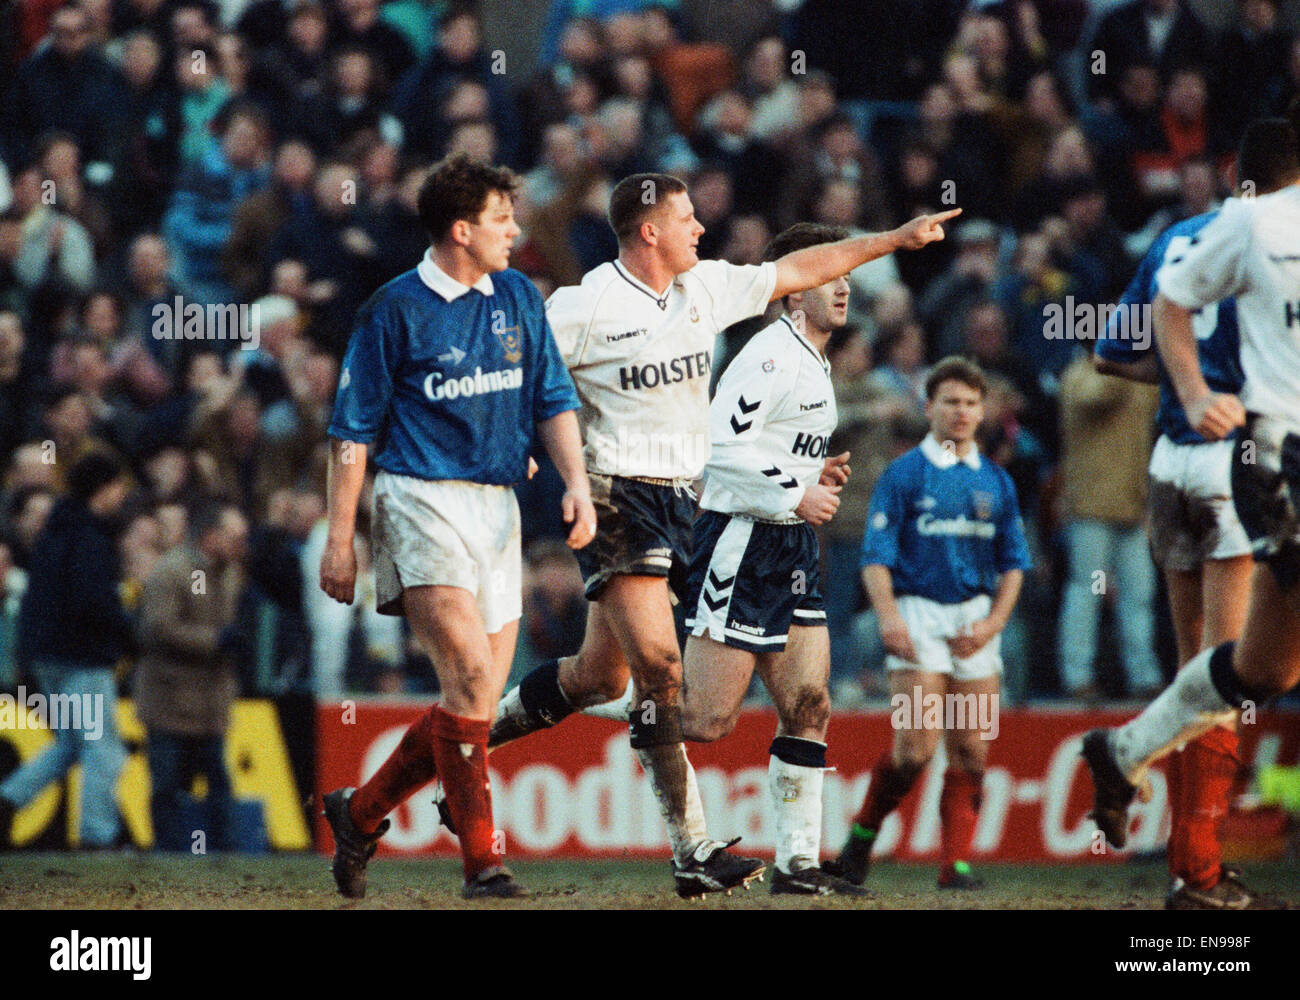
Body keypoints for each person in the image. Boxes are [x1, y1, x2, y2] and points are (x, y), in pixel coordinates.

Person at [463, 170, 958, 897]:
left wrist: (896, 239)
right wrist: (517, 446)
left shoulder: (710, 293)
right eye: (688, 217)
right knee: (676, 693)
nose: (703, 228)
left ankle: (792, 865)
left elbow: (797, 266)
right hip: (625, 499)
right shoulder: (589, 304)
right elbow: (516, 368)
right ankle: (690, 847)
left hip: (696, 513)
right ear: (651, 230)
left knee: (619, 677)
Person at [318, 153, 594, 900]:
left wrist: (575, 484)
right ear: (462, 230)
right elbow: (352, 433)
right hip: (418, 501)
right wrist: (342, 538)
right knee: (472, 675)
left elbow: (552, 398)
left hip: (498, 511)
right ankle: (483, 862)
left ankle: (362, 810)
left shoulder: (517, 297)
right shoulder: (394, 308)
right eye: (504, 218)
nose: (516, 229)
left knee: (471, 702)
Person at [1083, 119, 1300, 896]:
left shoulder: (1182, 237)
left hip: (1171, 463)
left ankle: (1187, 858)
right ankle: (1197, 869)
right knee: (1239, 667)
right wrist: (1213, 396)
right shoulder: (1269, 240)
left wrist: (1184, 392)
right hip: (1244, 459)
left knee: (1201, 668)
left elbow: (1108, 351)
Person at [676, 222, 869, 896]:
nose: (843, 285)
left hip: (791, 546)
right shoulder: (770, 353)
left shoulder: (812, 356)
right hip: (742, 540)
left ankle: (797, 866)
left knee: (810, 704)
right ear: (793, 295)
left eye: (846, 274)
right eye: (827, 276)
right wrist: (798, 488)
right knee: (703, 722)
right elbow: (716, 444)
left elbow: (767, 443)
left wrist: (814, 469)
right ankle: (597, 695)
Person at [824, 358, 1031, 890]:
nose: (961, 412)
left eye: (970, 403)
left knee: (971, 751)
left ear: (982, 411)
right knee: (915, 749)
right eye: (950, 402)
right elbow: (875, 558)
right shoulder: (904, 474)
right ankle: (861, 840)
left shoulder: (996, 481)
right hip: (918, 616)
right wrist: (890, 618)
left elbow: (1014, 566)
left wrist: (992, 625)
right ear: (929, 407)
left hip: (975, 623)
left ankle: (954, 867)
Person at [0, 452, 136, 850]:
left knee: (72, 745)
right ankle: (98, 837)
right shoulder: (89, 537)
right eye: (117, 486)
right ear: (103, 488)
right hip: (82, 658)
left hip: (49, 658)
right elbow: (92, 601)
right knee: (103, 749)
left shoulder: (57, 531)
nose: (122, 494)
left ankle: (8, 799)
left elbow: (40, 603)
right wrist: (128, 634)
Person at [135, 501, 248, 852]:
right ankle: (168, 854)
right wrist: (214, 641)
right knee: (167, 784)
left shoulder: (229, 573)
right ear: (211, 536)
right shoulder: (171, 571)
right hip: (170, 701)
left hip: (211, 703)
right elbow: (156, 629)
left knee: (218, 782)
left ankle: (226, 858)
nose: (242, 544)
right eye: (234, 537)